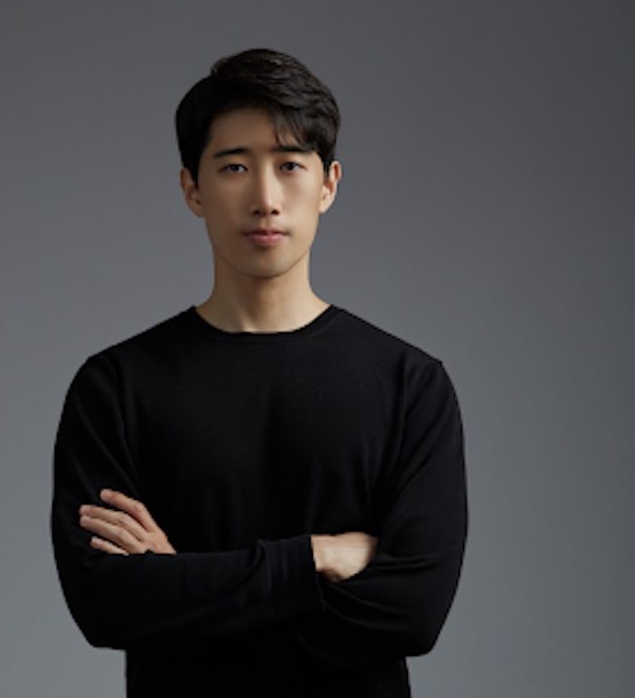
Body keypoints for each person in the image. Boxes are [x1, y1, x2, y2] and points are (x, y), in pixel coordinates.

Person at [50, 47, 468, 698]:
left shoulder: (410, 385)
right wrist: (316, 557)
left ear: (328, 184)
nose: (266, 198)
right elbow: (104, 604)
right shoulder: (116, 387)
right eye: (235, 166)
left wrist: (185, 589)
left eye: (290, 165)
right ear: (192, 188)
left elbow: (413, 614)